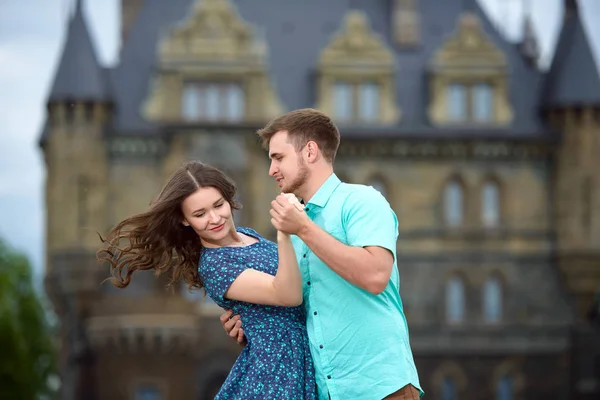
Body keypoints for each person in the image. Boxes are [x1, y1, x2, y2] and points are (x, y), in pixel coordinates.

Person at [222, 108, 423, 399]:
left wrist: (303, 228)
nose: (271, 170)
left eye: (279, 157)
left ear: (310, 152)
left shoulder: (362, 201)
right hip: (324, 391)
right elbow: (298, 310)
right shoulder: (291, 227)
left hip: (381, 388)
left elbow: (376, 275)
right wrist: (252, 322)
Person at [96, 161, 317, 400]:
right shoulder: (214, 265)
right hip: (276, 373)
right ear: (184, 220)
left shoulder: (248, 235)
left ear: (228, 198)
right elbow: (288, 295)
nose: (214, 218)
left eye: (218, 205)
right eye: (200, 214)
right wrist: (285, 232)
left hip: (298, 355)